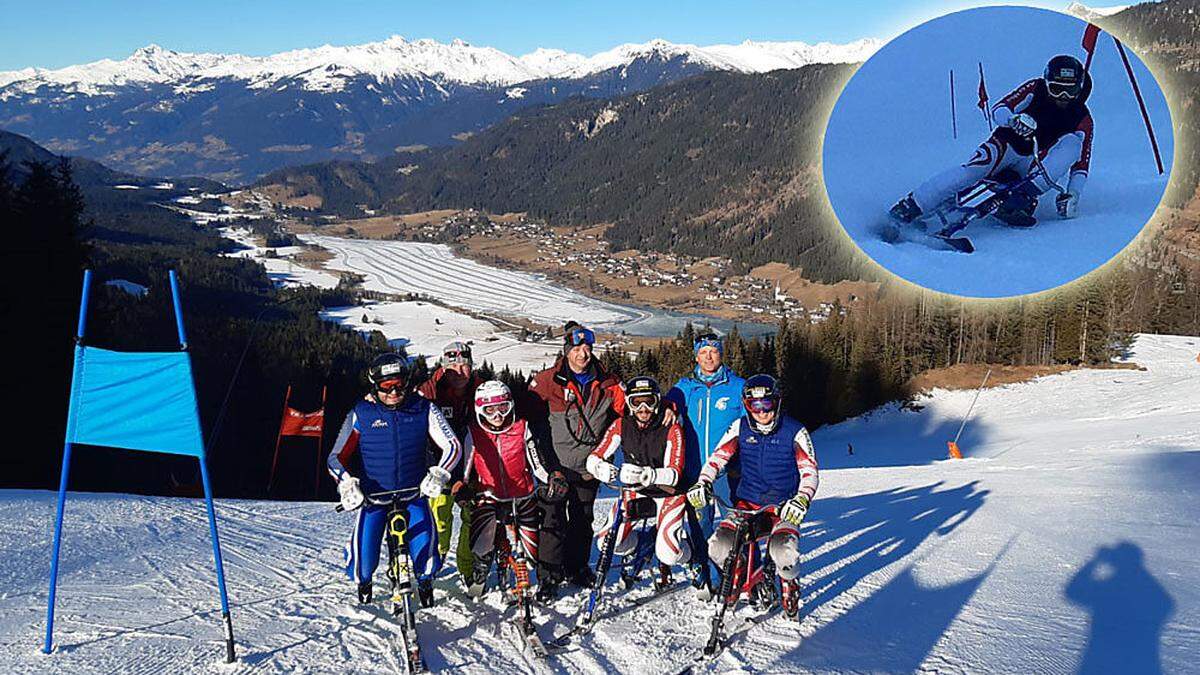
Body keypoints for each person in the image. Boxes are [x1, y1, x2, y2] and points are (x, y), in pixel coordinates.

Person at [890, 54, 1094, 229]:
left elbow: (1081, 164)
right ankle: (912, 205)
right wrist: (1012, 120)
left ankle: (1024, 195)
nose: (1064, 97)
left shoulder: (1082, 117)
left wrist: (1073, 193)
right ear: (1047, 83)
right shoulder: (1035, 88)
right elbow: (1000, 108)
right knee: (974, 170)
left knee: (1073, 143)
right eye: (1057, 89)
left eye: (1071, 90)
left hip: (1033, 160)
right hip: (1007, 144)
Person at [328, 352, 462, 608]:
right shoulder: (361, 412)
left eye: (399, 385)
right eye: (386, 387)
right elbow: (335, 457)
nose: (393, 392)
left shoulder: (424, 408)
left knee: (428, 559)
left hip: (414, 494)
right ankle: (365, 583)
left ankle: (424, 582)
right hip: (374, 499)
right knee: (362, 567)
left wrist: (440, 473)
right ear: (375, 386)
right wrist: (346, 483)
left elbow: (453, 446)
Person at [686, 374, 819, 616]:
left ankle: (789, 583)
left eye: (766, 404)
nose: (761, 411)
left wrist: (802, 498)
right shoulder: (739, 427)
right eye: (753, 405)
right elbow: (718, 458)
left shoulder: (795, 431)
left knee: (783, 551)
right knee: (718, 546)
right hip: (746, 503)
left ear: (777, 402)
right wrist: (703, 482)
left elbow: (809, 470)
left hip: (782, 506)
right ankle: (737, 576)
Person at [524, 322, 624, 601]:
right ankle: (549, 577)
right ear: (566, 350)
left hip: (588, 467)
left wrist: (668, 409)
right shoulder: (547, 381)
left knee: (583, 519)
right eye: (577, 348)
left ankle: (577, 567)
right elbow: (524, 415)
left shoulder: (609, 383)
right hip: (554, 466)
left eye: (588, 348)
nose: (583, 354)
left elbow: (632, 411)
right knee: (551, 521)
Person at [457, 380, 568, 596]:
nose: (497, 415)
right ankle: (481, 567)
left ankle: (519, 565)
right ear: (480, 409)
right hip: (488, 495)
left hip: (522, 495)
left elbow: (536, 462)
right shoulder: (474, 432)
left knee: (530, 557)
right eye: (489, 410)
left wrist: (551, 479)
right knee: (481, 542)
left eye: (503, 408)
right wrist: (461, 487)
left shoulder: (522, 427)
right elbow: (465, 464)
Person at [587, 376, 690, 585]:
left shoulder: (670, 426)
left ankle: (691, 554)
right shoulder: (621, 425)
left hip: (668, 493)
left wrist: (647, 474)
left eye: (649, 401)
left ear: (657, 401)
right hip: (636, 490)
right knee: (607, 543)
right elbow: (595, 456)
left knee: (669, 554)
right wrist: (601, 468)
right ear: (629, 403)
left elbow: (675, 473)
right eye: (636, 402)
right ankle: (641, 544)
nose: (643, 408)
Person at [666, 332, 746, 595]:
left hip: (728, 473)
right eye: (703, 352)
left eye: (713, 351)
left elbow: (753, 424)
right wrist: (668, 406)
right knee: (700, 525)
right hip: (694, 471)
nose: (708, 357)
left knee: (734, 527)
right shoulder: (686, 387)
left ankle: (736, 574)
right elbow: (668, 403)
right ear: (696, 356)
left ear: (721, 353)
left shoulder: (737, 387)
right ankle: (704, 572)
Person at [417, 340, 483, 586]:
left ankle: (466, 569)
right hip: (439, 468)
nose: (459, 371)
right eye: (453, 366)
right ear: (444, 368)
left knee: (471, 520)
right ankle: (433, 563)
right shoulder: (430, 391)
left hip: (471, 470)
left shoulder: (480, 390)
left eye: (464, 365)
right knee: (439, 523)